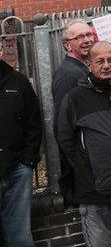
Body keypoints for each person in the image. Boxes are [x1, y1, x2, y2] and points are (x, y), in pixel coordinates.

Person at [57, 42, 111, 246]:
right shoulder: (76, 98)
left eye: (110, 60)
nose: (106, 65)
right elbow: (65, 138)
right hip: (95, 190)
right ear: (89, 64)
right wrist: (88, 163)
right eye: (99, 61)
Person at [0, 43, 42, 247]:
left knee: (21, 238)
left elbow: (33, 122)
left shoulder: (17, 81)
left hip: (16, 170)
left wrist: (28, 161)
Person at [52, 20, 95, 204]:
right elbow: (63, 126)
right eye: (80, 37)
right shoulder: (70, 74)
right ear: (67, 45)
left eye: (89, 34)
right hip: (84, 161)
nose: (87, 40)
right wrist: (78, 163)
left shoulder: (83, 66)